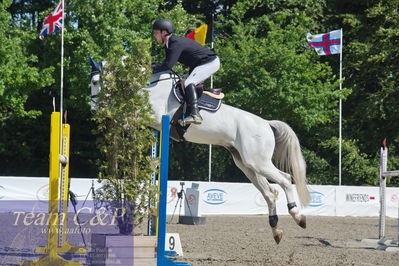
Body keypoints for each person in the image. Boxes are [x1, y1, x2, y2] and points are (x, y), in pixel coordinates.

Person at [152, 18, 220, 125]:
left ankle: (195, 115)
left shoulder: (175, 43)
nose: (154, 35)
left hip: (210, 62)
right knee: (185, 81)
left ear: (164, 32)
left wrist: (152, 69)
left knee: (189, 82)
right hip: (199, 64)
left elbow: (168, 65)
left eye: (156, 33)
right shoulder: (168, 44)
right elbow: (166, 64)